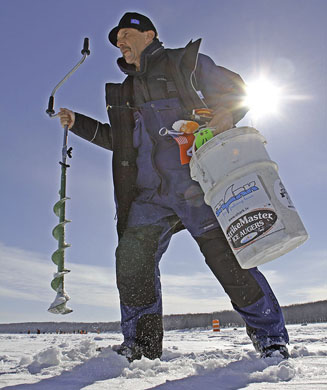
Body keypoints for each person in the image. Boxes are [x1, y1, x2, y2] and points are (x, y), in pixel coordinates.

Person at [58, 12, 289, 362]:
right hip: (149, 195)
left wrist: (227, 112)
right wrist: (78, 124)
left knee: (228, 260)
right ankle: (141, 344)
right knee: (132, 260)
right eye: (117, 39)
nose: (120, 42)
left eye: (126, 34)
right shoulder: (125, 92)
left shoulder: (186, 63)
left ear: (149, 35)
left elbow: (237, 89)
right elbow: (119, 141)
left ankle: (271, 338)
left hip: (197, 186)